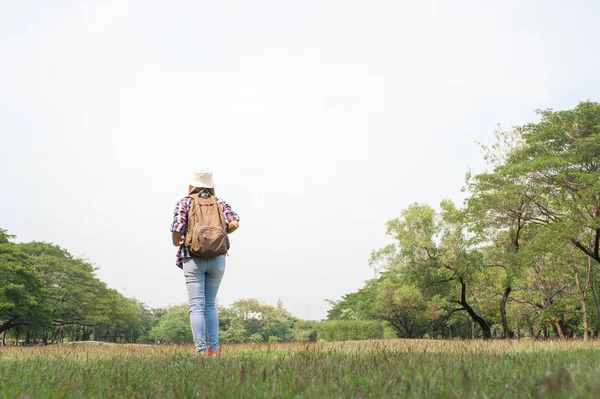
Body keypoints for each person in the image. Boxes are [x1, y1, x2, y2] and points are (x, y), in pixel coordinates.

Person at [170, 168, 240, 356]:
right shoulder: (219, 202)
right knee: (210, 304)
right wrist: (219, 234)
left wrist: (179, 240)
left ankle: (201, 352)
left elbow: (177, 231)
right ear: (211, 186)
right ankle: (214, 350)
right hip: (218, 259)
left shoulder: (184, 202)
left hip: (193, 258)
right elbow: (234, 223)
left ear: (192, 185)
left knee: (196, 306)